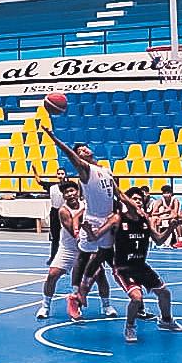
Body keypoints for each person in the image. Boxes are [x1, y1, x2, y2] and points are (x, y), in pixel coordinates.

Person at [43, 125, 126, 323]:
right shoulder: (85, 172)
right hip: (85, 232)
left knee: (109, 269)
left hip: (105, 223)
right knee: (80, 263)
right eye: (79, 151)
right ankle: (65, 299)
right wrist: (54, 138)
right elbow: (70, 154)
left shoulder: (105, 171)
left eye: (84, 148)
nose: (84, 150)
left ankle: (107, 303)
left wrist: (133, 208)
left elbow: (119, 194)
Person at [111, 187, 182, 343]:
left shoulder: (145, 220)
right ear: (128, 201)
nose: (138, 202)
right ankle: (130, 326)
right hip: (123, 268)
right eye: (135, 199)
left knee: (164, 293)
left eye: (140, 199)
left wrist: (171, 227)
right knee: (136, 298)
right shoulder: (119, 219)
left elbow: (158, 240)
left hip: (141, 266)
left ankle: (166, 321)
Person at [36, 181, 112, 321]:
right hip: (69, 249)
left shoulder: (87, 206)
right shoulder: (63, 211)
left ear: (78, 192)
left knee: (100, 275)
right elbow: (73, 232)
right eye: (66, 192)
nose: (70, 194)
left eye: (72, 191)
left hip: (87, 248)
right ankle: (45, 306)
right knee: (52, 274)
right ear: (63, 196)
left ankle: (106, 306)